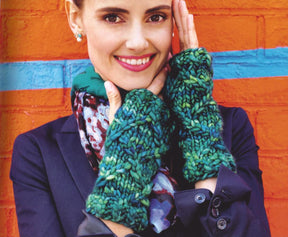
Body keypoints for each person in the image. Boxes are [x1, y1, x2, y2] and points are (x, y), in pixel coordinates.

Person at [10, 0, 271, 236]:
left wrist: (201, 137)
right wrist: (126, 170)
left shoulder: (228, 129)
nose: (138, 42)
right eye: (113, 17)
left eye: (155, 17)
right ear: (76, 18)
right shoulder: (38, 153)